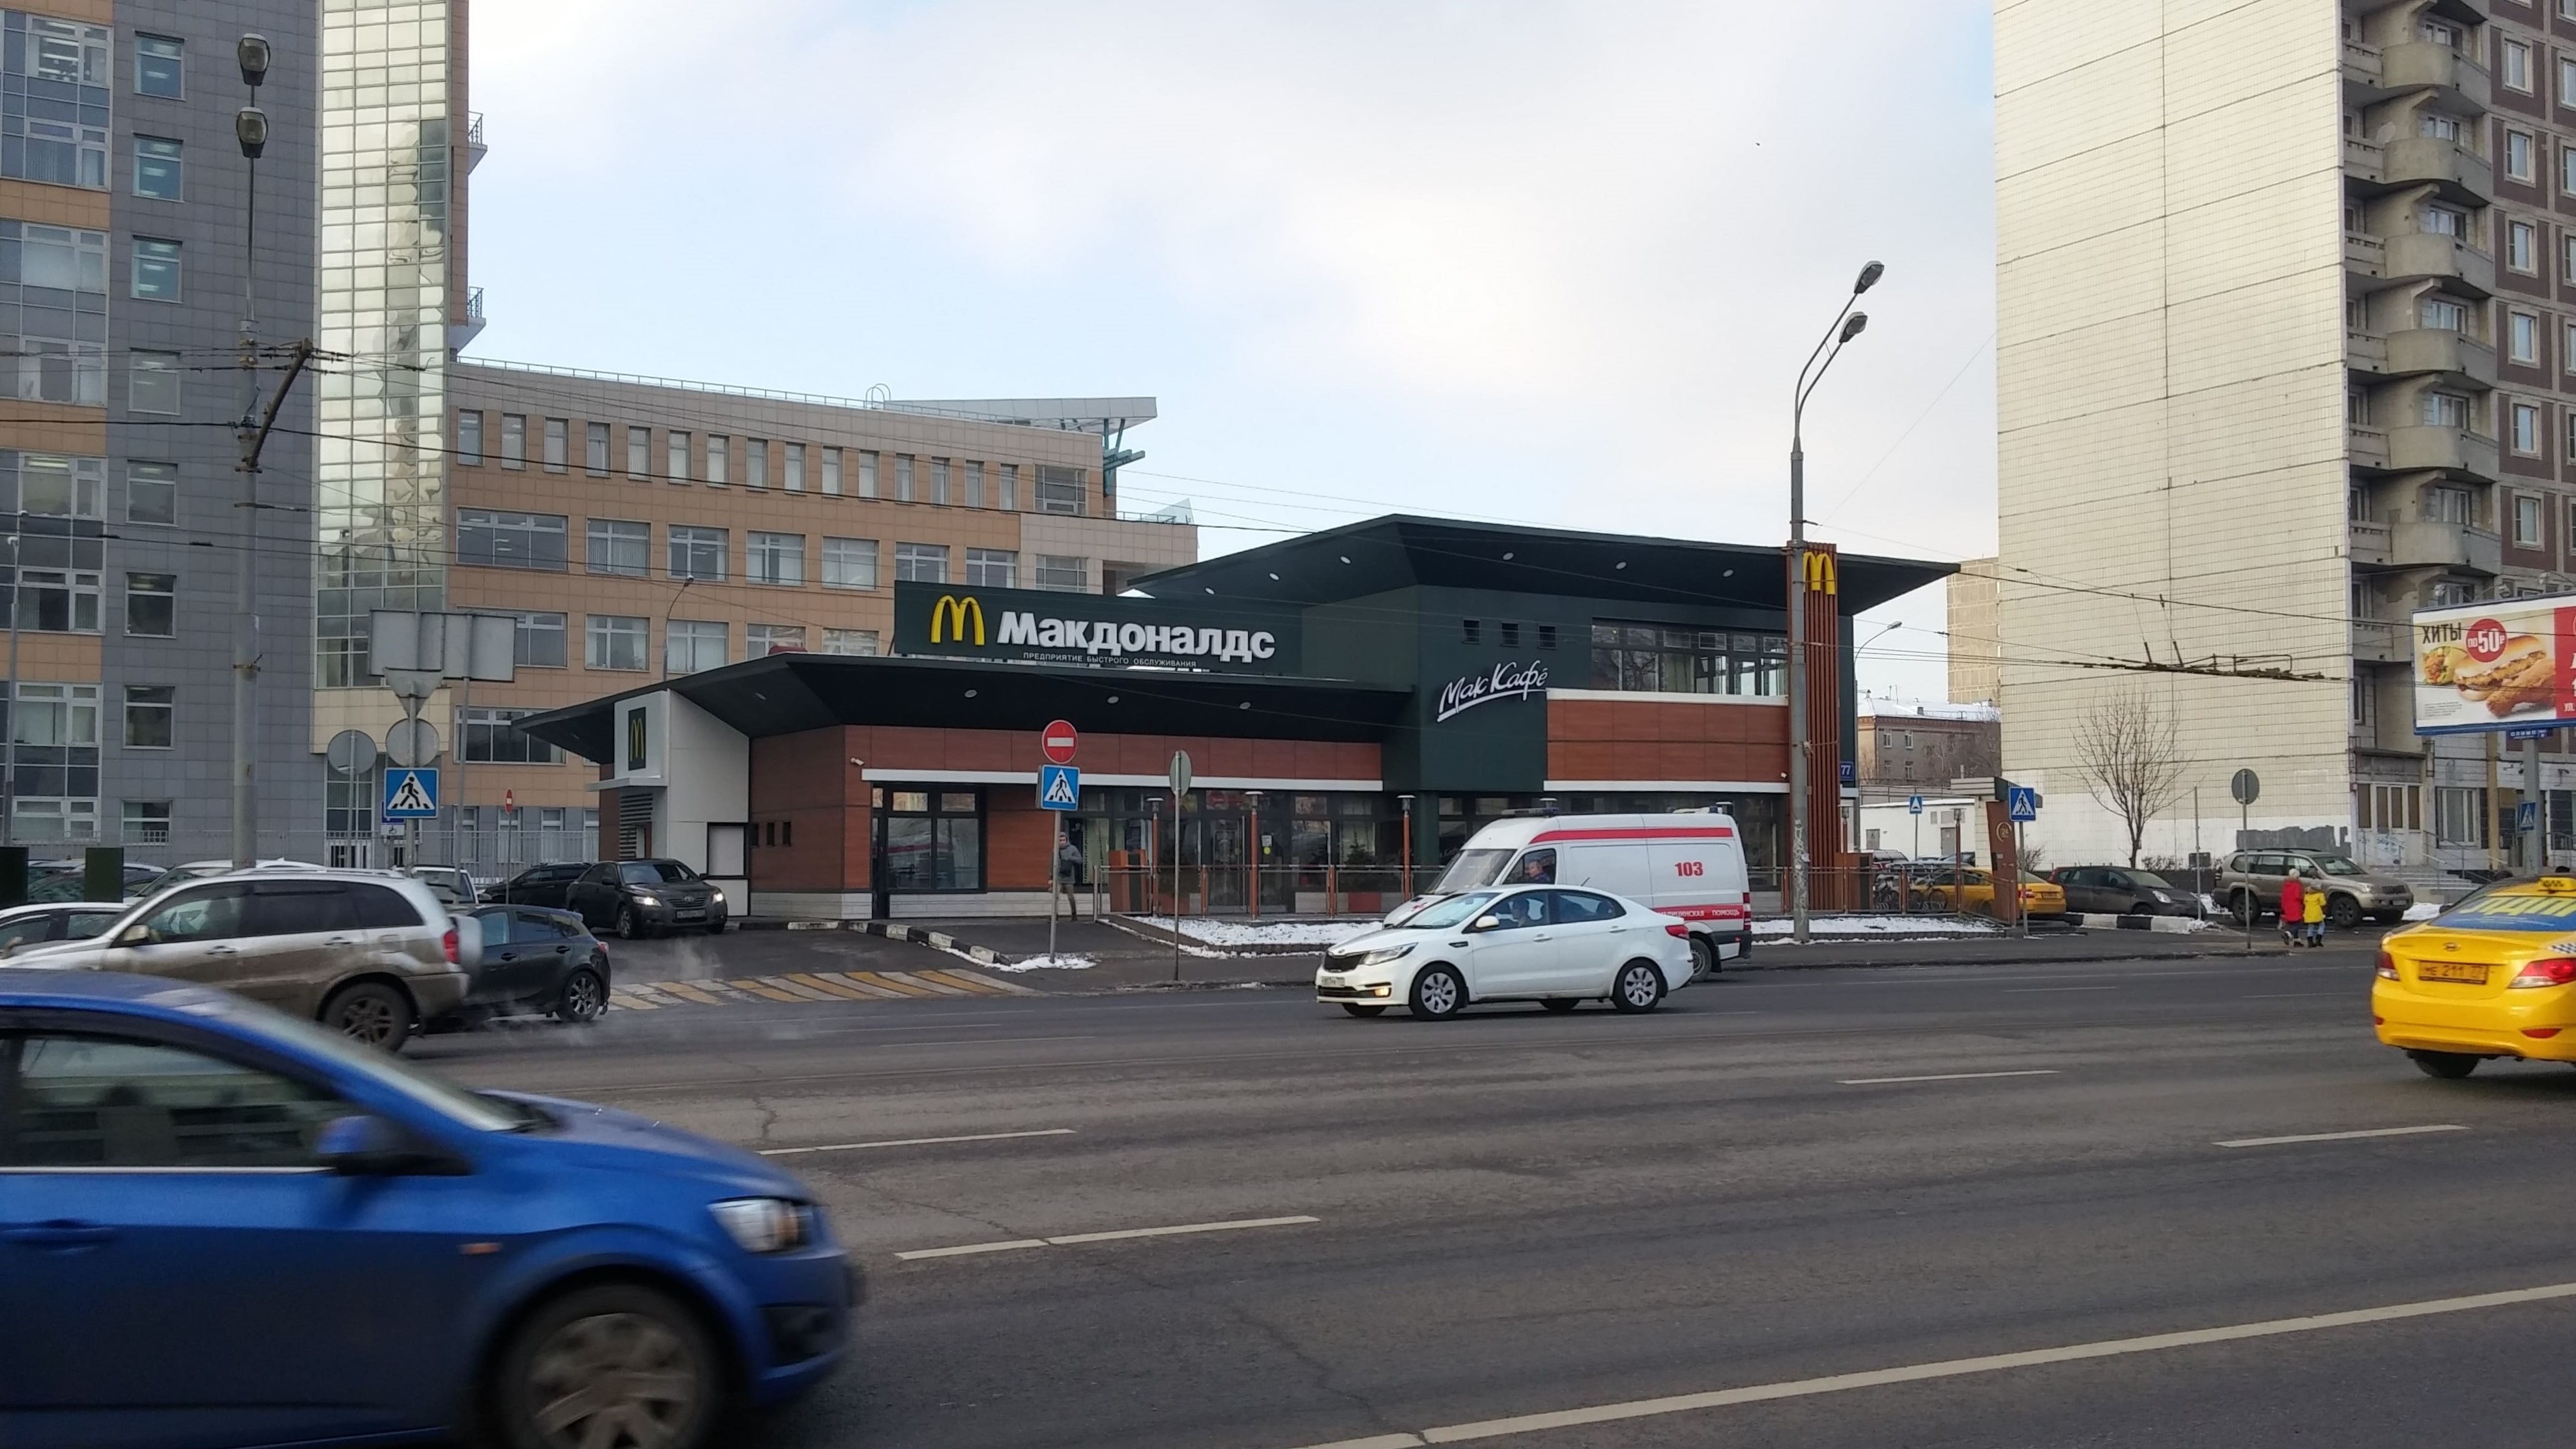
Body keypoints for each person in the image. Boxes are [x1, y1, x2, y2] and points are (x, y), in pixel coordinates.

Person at [2302, 871, 2327, 947]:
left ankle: (2310, 942)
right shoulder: (2320, 894)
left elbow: (2304, 903)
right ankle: (2318, 940)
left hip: (2308, 913)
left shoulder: (2307, 894)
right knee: (2322, 925)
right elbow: (2323, 903)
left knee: (2310, 927)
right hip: (2317, 913)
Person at [2279, 872, 2304, 947]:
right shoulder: (2297, 885)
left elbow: (2283, 896)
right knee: (2299, 923)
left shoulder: (2286, 885)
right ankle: (2288, 934)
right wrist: (2303, 897)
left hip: (2287, 906)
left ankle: (2297, 940)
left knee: (2292, 923)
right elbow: (2297, 896)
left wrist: (2283, 907)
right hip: (2295, 906)